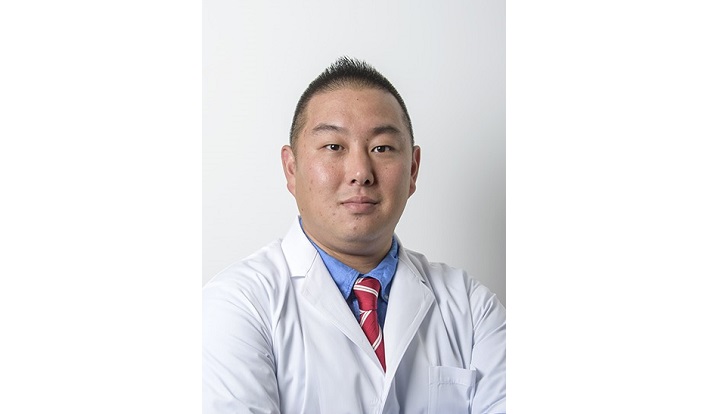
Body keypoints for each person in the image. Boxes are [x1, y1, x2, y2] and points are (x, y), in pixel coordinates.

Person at [202, 57, 506, 413]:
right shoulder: (237, 304)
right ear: (292, 168)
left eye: (382, 148)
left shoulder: (471, 306)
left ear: (412, 170)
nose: (361, 172)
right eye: (334, 146)